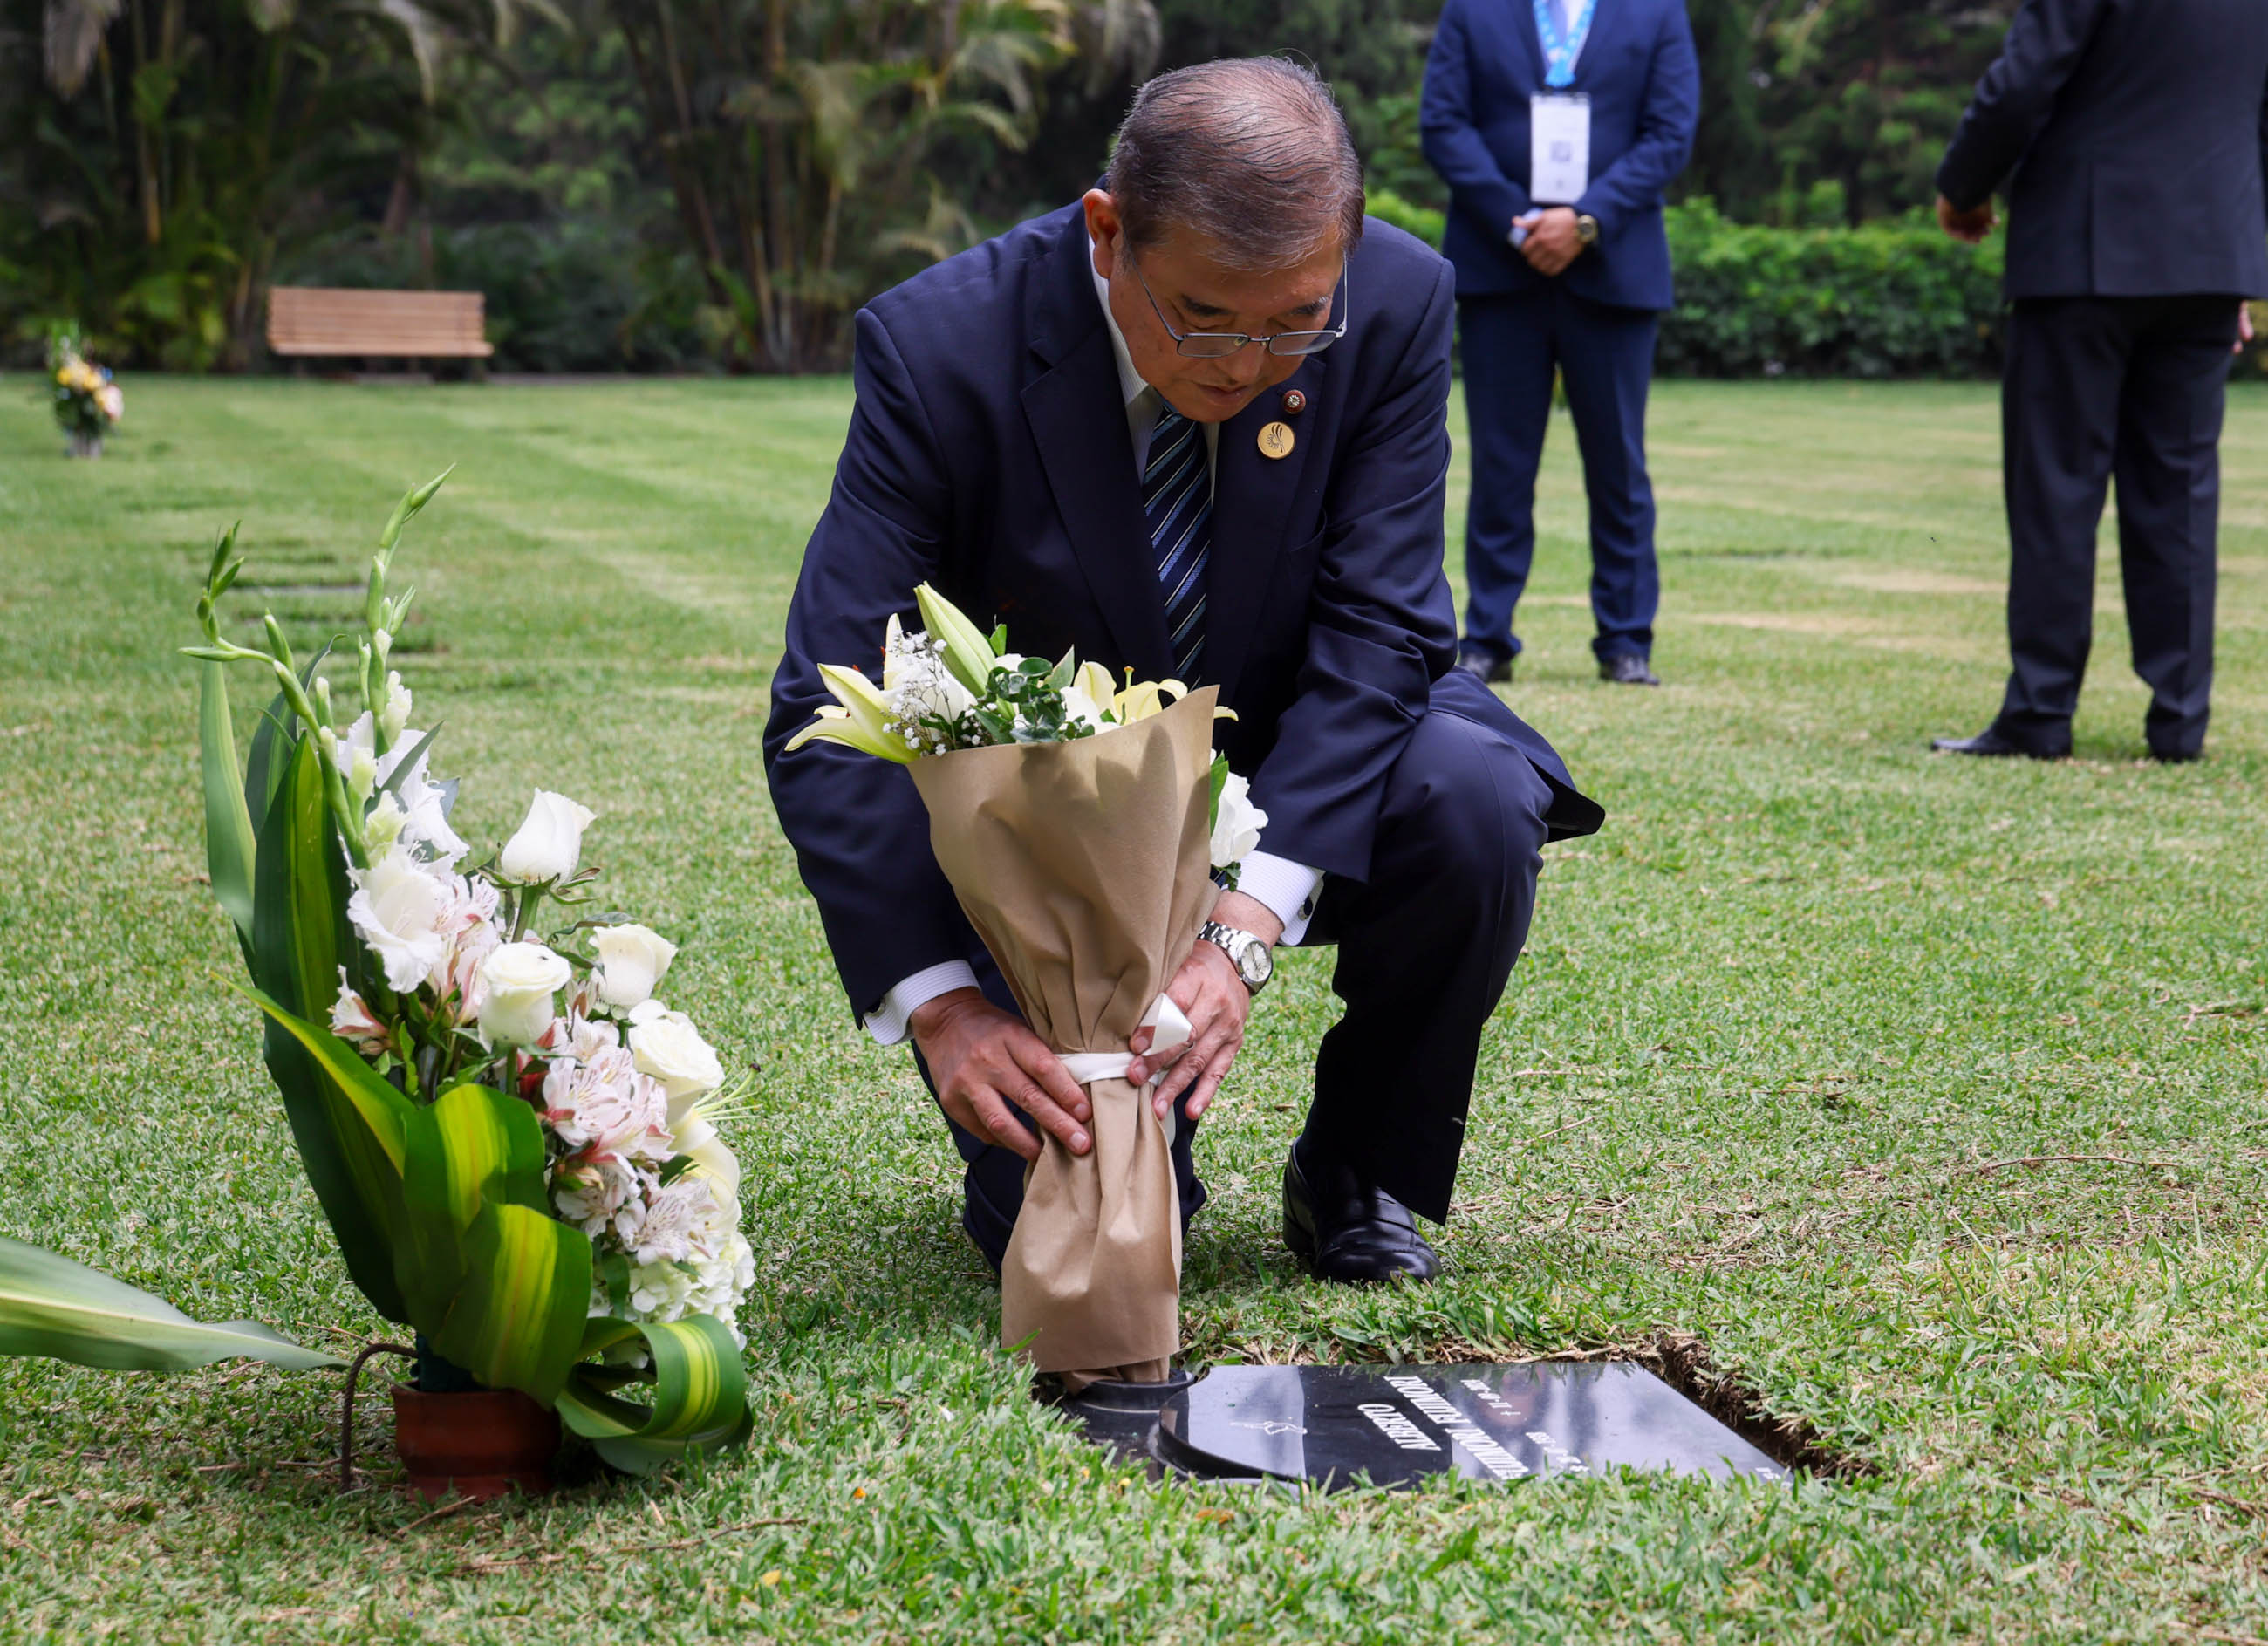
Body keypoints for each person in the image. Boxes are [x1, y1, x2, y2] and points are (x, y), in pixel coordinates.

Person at [764, 59, 1602, 1289]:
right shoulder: (939, 344)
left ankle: (1358, 1166)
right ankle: (1111, 1150)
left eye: (1296, 319)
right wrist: (943, 1005)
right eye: (1206, 315)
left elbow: (1383, 631)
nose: (1252, 362)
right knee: (1086, 1231)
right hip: (1063, 805)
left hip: (1296, 737)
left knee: (1473, 794)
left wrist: (1242, 927)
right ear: (1108, 232)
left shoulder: (1397, 300)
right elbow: (829, 698)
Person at [1930, 0, 2268, 763]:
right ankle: (2180, 720)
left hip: (2084, 249)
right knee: (2181, 488)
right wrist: (2243, 251)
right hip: (2211, 250)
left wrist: (1963, 185)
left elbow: (2021, 84)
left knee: (2057, 485)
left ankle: (2042, 711)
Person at [1420, 0, 1699, 689]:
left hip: (1615, 269)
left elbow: (1669, 133)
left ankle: (1626, 640)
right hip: (1499, 265)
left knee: (1618, 465)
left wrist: (1586, 221)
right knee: (1500, 466)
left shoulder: (1657, 13)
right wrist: (1520, 225)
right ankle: (1486, 638)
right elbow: (1444, 124)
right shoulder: (1473, 11)